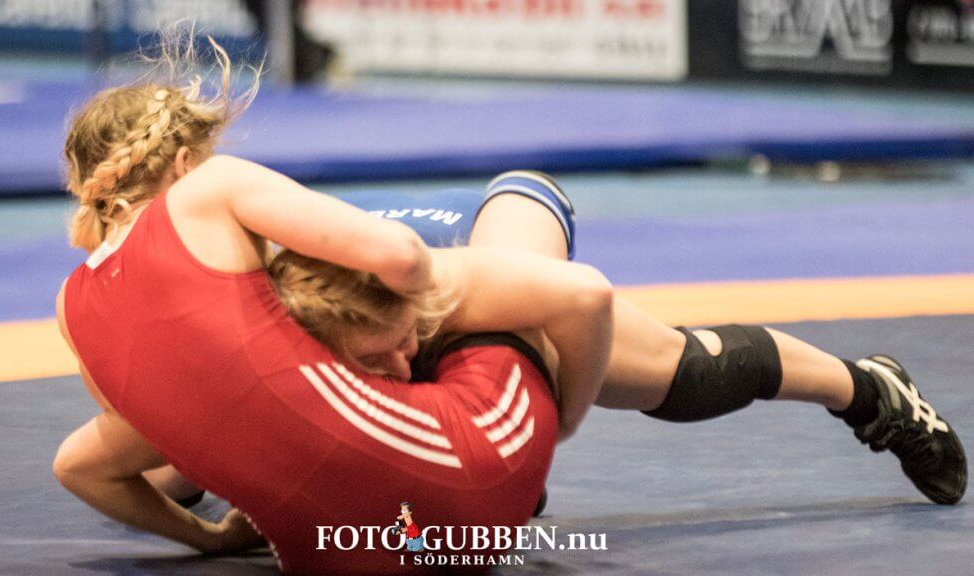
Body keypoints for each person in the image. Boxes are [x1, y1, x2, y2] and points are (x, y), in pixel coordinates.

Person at [51, 32, 613, 574]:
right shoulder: (207, 187)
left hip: (330, 552)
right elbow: (403, 258)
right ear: (182, 164)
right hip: (470, 500)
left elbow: (81, 466)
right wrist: (434, 305)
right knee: (504, 257)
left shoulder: (70, 308)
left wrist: (212, 538)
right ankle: (532, 194)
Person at [331, 170, 967, 507]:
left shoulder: (462, 292)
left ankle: (872, 390)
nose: (400, 362)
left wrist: (556, 423)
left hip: (503, 224)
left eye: (401, 343)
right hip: (378, 267)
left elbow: (586, 296)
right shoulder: (288, 325)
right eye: (378, 356)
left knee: (683, 372)